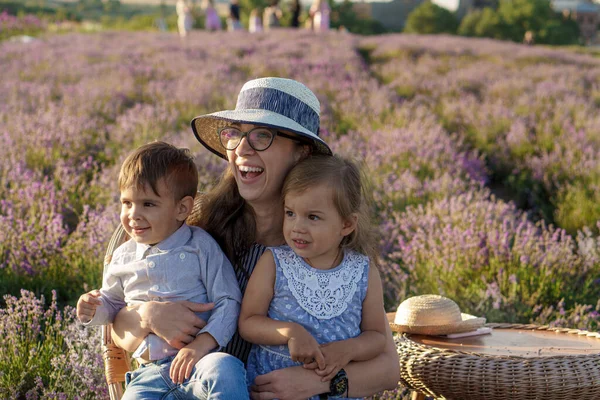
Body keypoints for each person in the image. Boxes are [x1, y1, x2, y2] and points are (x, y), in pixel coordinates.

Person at [110, 77, 401, 400]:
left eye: (262, 135)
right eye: (235, 134)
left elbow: (388, 368)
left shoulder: (327, 244)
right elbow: (116, 318)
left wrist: (317, 383)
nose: (242, 148)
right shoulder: (198, 224)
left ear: (301, 153)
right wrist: (146, 314)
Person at [76, 141, 243, 399]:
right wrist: (93, 308)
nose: (133, 214)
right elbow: (113, 304)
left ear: (182, 208)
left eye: (148, 204)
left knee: (225, 369)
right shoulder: (122, 256)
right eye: (127, 203)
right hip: (148, 375)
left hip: (200, 363)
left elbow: (229, 300)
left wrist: (201, 345)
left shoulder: (199, 246)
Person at [239, 154, 387, 399]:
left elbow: (377, 337)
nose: (297, 226)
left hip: (333, 392)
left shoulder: (363, 271)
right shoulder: (275, 262)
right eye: (290, 213)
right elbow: (248, 322)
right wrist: (290, 332)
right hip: (273, 388)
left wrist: (349, 349)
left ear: (347, 224)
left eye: (313, 217)